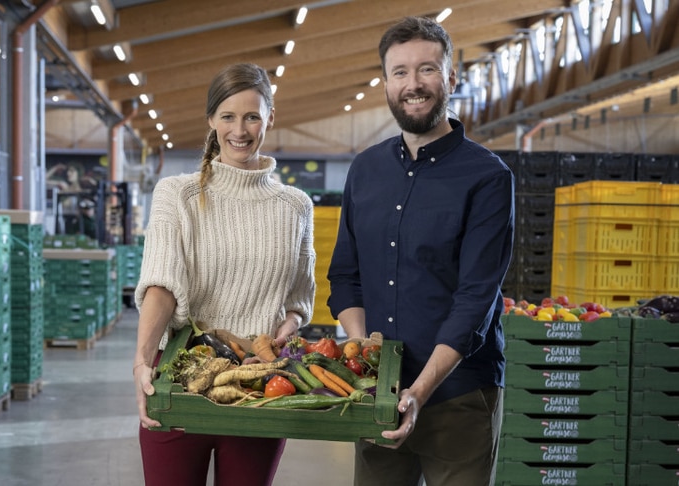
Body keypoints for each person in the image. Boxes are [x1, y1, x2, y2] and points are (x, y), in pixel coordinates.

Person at [327, 16, 515, 486]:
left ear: (451, 77)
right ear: (386, 83)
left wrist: (419, 389)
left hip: (458, 395)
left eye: (427, 70)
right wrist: (368, 357)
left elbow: (475, 299)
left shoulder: (488, 178)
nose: (414, 84)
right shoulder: (366, 170)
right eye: (400, 72)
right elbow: (346, 275)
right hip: (377, 395)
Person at [131, 62, 316, 486]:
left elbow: (298, 302)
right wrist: (141, 363)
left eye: (252, 116)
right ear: (211, 120)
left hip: (259, 387)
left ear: (270, 117)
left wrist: (281, 336)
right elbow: (161, 284)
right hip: (179, 377)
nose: (240, 129)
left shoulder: (295, 206)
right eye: (228, 116)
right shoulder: (177, 194)